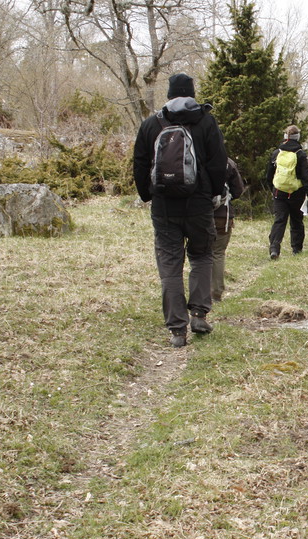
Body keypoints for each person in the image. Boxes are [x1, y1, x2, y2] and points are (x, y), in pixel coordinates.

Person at [133, 72, 228, 348]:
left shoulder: (152, 124)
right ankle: (199, 314)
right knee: (201, 256)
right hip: (198, 205)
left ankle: (177, 330)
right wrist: (214, 193)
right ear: (192, 94)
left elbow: (139, 163)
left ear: (169, 94)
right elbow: (218, 161)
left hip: (164, 208)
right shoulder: (206, 122)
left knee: (170, 269)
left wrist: (147, 195)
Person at [264, 125, 308, 260]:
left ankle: (274, 249)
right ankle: (296, 250)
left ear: (285, 137)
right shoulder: (300, 154)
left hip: (279, 193)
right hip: (297, 193)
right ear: (298, 137)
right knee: (297, 221)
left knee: (279, 220)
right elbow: (306, 177)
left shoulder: (276, 153)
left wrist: (273, 190)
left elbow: (269, 176)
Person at [212, 158, 246, 302]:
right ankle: (216, 293)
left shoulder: (196, 156)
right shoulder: (228, 163)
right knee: (218, 253)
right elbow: (238, 190)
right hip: (222, 216)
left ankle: (198, 294)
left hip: (198, 215)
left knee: (199, 255)